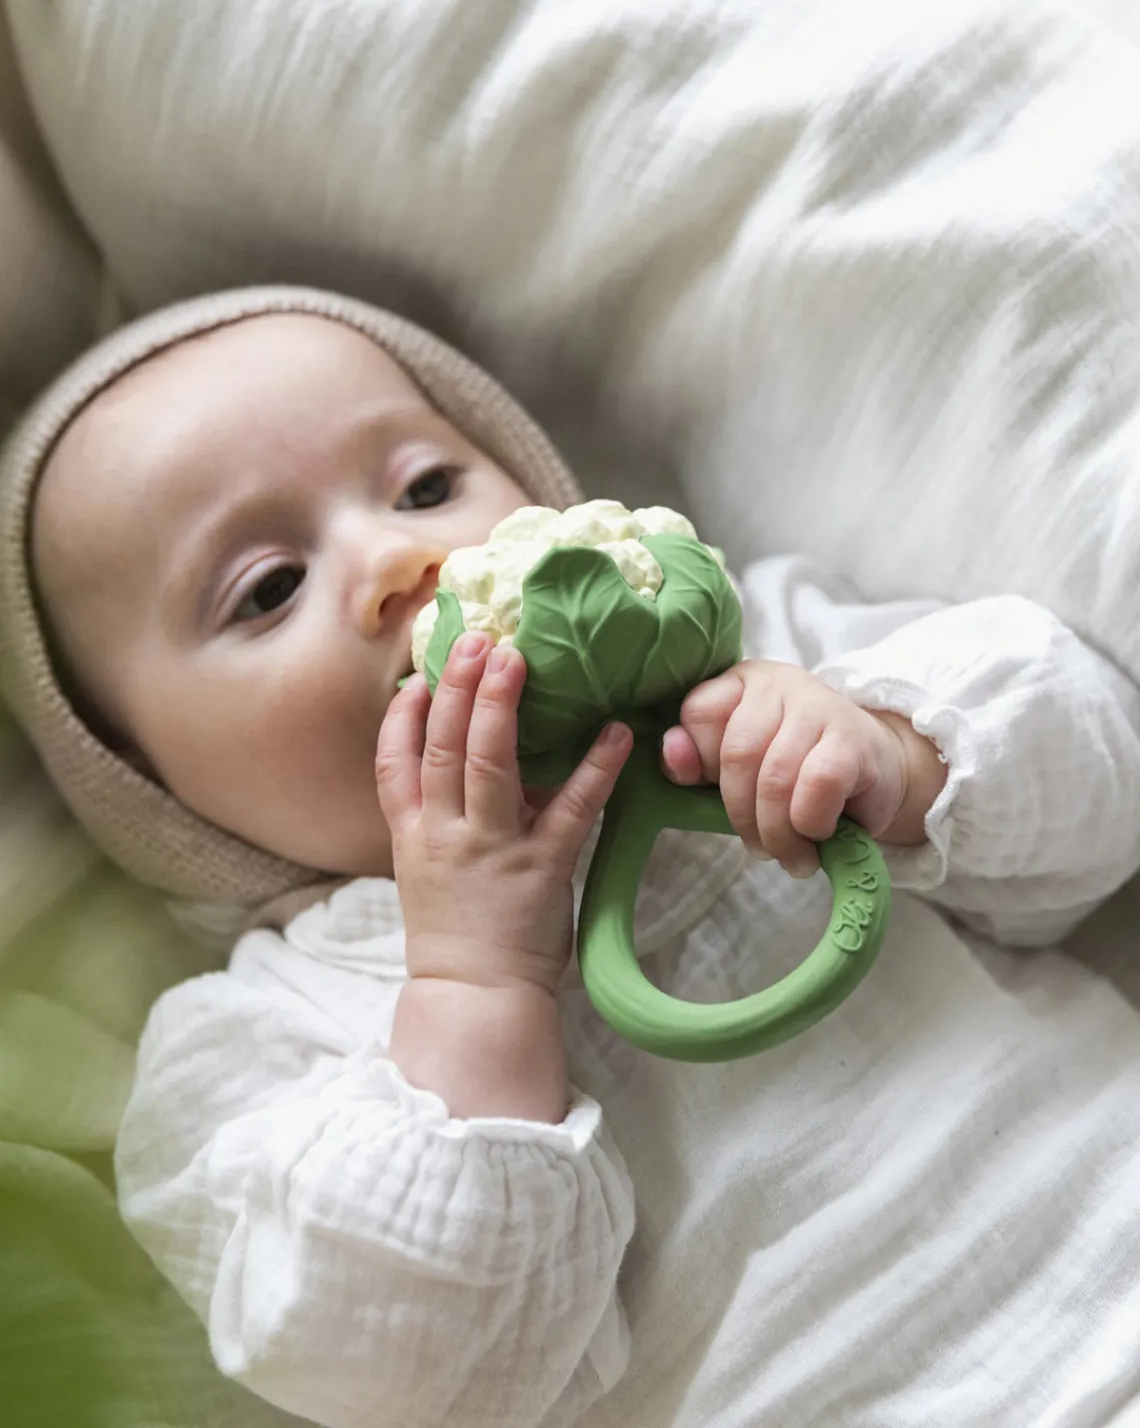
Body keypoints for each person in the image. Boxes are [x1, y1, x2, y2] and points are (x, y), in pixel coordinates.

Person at [4, 286, 1140, 1428]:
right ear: (146, 781)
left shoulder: (774, 674)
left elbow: (1102, 788)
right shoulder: (250, 1046)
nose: (402, 559)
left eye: (428, 485)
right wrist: (472, 984)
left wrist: (894, 758)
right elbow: (396, 1369)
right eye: (269, 587)